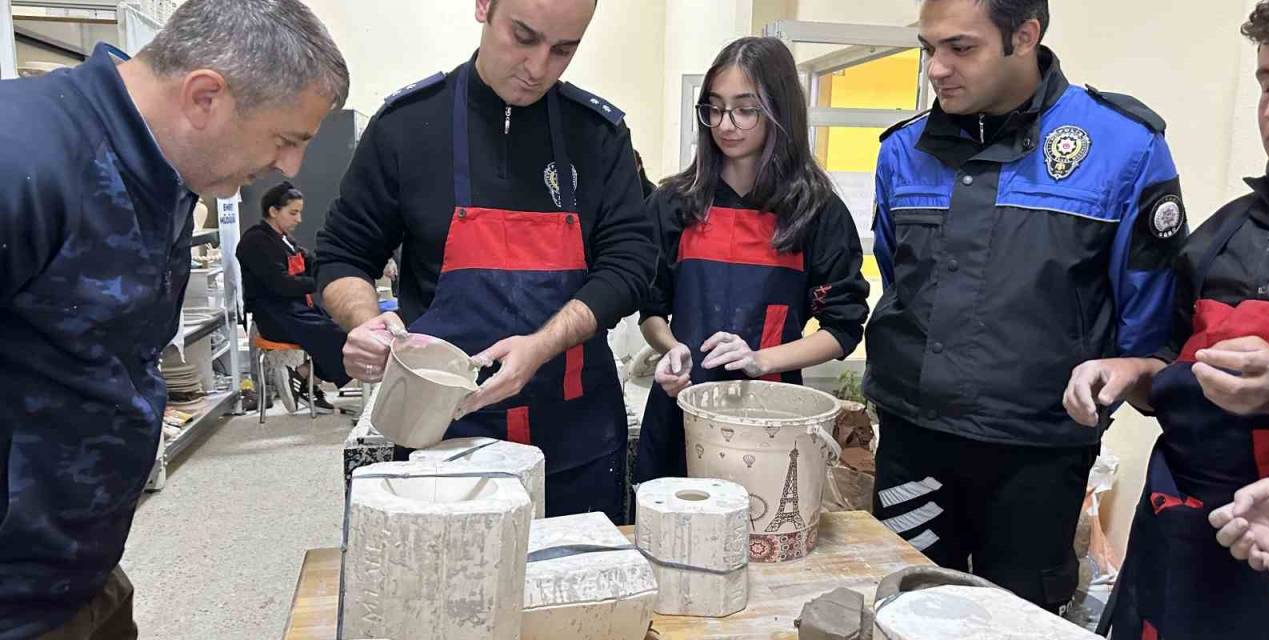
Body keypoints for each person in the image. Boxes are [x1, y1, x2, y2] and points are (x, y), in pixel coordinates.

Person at [0, 0, 348, 637]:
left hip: (80, 576)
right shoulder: (23, 158)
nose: (290, 168)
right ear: (205, 96)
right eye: (286, 139)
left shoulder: (164, 177)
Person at [866, 0, 1185, 612]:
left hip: (1035, 458)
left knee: (1017, 620)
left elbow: (1148, 328)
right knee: (905, 605)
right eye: (929, 47)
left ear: (1025, 36)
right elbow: (898, 279)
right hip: (915, 439)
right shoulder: (903, 150)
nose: (937, 67)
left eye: (961, 48)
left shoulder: (1123, 148)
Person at [315, 0, 655, 523]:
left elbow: (630, 266)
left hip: (576, 432)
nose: (538, 67)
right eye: (523, 36)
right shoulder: (407, 128)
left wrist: (543, 344)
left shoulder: (598, 136)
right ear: (483, 8)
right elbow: (341, 256)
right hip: (443, 432)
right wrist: (365, 324)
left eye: (563, 50)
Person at [1066, 3, 1269, 633]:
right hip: (1183, 531)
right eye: (1267, 81)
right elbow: (1171, 368)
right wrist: (1128, 371)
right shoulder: (1223, 234)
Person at [633, 37, 870, 499]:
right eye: (715, 109)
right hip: (680, 408)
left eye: (745, 110)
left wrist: (762, 359)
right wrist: (673, 350)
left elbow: (842, 329)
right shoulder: (673, 204)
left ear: (779, 112)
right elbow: (650, 309)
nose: (726, 124)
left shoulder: (816, 213)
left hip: (772, 420)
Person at [237, 182, 352, 412]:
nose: (298, 219)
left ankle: (304, 379)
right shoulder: (255, 242)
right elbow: (282, 285)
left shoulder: (285, 241)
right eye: (293, 213)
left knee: (344, 327)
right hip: (275, 315)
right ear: (273, 211)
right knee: (334, 336)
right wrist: (320, 283)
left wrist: (338, 271)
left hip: (295, 309)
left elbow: (311, 263)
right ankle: (304, 376)